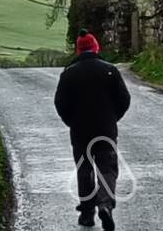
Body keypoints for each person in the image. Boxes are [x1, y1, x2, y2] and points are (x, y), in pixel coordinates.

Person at [54, 29, 131, 230]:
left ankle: (87, 214)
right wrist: (113, 118)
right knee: (107, 168)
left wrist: (71, 121)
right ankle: (105, 204)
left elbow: (60, 103)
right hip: (106, 128)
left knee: (84, 168)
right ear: (96, 47)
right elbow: (124, 99)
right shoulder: (110, 70)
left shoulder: (68, 74)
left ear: (78, 50)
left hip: (80, 130)